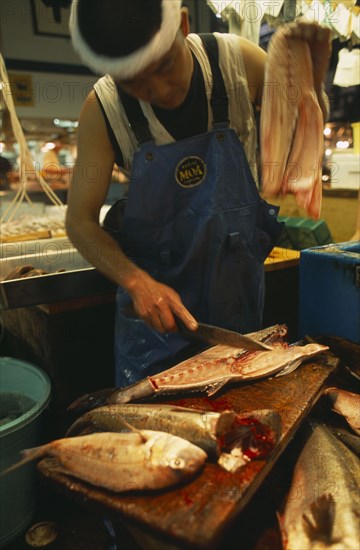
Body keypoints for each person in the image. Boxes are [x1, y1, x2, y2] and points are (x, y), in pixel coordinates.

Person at [66, 0, 330, 387]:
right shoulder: (102, 109)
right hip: (154, 328)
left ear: (184, 23)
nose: (158, 91)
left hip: (237, 311)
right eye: (134, 82)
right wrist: (137, 282)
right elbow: (80, 222)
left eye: (164, 66)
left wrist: (312, 76)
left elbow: (299, 143)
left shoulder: (239, 64)